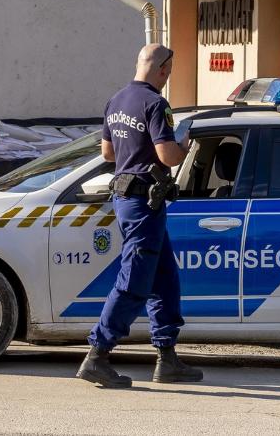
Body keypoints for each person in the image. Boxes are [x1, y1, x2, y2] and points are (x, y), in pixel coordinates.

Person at [77, 44, 203, 388]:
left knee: (164, 278)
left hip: (128, 199)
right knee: (135, 279)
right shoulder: (155, 103)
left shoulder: (116, 100)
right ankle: (97, 355)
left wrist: (135, 149)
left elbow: (107, 151)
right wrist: (185, 143)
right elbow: (168, 156)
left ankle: (167, 358)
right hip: (144, 203)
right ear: (164, 70)